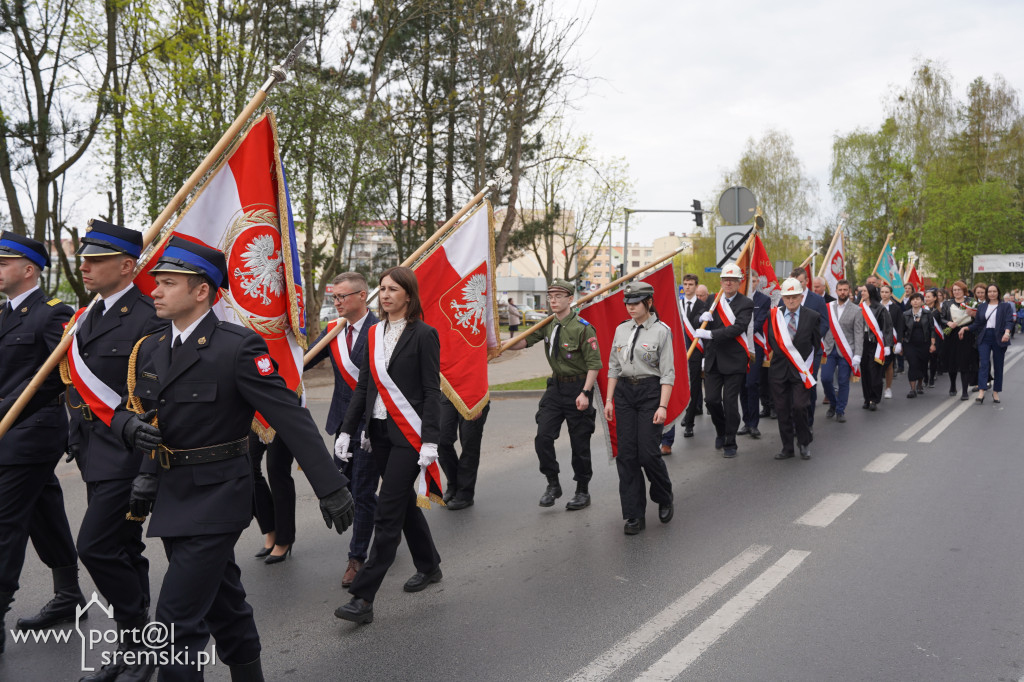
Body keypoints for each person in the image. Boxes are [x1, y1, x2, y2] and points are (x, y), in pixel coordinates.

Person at [113, 236, 354, 679]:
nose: (155, 292)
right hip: (172, 497)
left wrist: (331, 486)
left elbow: (290, 417)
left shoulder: (237, 347)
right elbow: (139, 415)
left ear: (202, 290)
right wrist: (130, 434)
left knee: (175, 622)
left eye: (167, 283)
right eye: (157, 283)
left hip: (218, 497)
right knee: (225, 604)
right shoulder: (150, 348)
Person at [58, 220, 165, 681]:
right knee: (123, 546)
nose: (84, 266)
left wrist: (147, 468)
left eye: (96, 260)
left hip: (126, 452)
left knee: (95, 546)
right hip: (90, 450)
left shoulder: (148, 315)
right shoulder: (86, 315)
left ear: (126, 266)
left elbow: (156, 397)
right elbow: (74, 383)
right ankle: (138, 646)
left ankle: (136, 634)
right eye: (84, 258)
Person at [333, 266, 443, 626]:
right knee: (404, 504)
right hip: (377, 433)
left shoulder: (424, 334)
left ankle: (363, 597)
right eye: (381, 289)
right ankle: (429, 565)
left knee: (387, 512)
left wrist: (430, 439)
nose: (385, 295)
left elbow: (430, 390)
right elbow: (364, 386)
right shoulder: (375, 332)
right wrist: (348, 431)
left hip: (409, 436)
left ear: (408, 295)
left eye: (393, 289)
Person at [0, 232, 83, 658]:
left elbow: (63, 375)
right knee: (42, 511)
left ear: (28, 269)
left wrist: (8, 406)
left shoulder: (52, 314)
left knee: (4, 522)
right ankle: (68, 596)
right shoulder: (4, 315)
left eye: (3, 263)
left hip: (32, 432)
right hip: (8, 433)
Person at [305, 272, 379, 587]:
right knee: (342, 487)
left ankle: (357, 558)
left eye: (342, 297)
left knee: (362, 492)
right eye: (334, 297)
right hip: (341, 423)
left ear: (362, 296)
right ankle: (389, 525)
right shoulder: (332, 331)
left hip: (371, 427)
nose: (337, 302)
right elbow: (304, 360)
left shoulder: (380, 330)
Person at [506, 279, 601, 509]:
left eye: (559, 296)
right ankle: (553, 483)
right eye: (550, 296)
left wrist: (585, 393)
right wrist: (500, 345)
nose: (553, 300)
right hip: (556, 389)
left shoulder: (582, 327)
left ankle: (582, 490)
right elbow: (524, 341)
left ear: (570, 299)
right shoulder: (549, 324)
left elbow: (594, 364)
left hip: (578, 388)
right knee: (543, 438)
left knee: (580, 444)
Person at [604, 282, 675, 535]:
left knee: (647, 453)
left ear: (649, 302)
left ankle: (664, 496)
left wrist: (663, 406)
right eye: (627, 303)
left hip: (650, 393)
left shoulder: (661, 331)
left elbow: (667, 373)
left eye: (635, 302)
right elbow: (613, 366)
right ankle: (634, 514)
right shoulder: (621, 330)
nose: (630, 307)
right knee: (627, 456)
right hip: (624, 394)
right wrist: (609, 400)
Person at [692, 264, 754, 458]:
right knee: (711, 400)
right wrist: (699, 317)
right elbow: (697, 318)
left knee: (729, 402)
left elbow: (738, 328)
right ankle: (721, 429)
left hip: (734, 360)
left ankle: (730, 440)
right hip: (713, 360)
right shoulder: (712, 299)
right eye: (725, 280)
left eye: (732, 280)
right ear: (720, 282)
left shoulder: (746, 303)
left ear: (739, 283)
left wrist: (710, 333)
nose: (728, 283)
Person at [766, 278, 821, 460]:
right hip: (779, 371)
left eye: (795, 297)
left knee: (800, 407)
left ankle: (804, 442)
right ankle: (787, 447)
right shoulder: (773, 315)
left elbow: (816, 345)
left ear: (801, 296)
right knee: (782, 409)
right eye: (788, 297)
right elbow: (771, 341)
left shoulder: (812, 316)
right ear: (782, 297)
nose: (791, 301)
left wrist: (811, 371)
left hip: (801, 371)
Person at [821, 279, 863, 423]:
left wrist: (858, 354)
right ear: (836, 291)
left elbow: (858, 333)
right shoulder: (827, 307)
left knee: (843, 381)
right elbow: (822, 327)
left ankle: (840, 410)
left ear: (849, 291)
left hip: (846, 350)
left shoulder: (856, 310)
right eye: (840, 290)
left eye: (845, 290)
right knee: (825, 378)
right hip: (828, 349)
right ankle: (833, 403)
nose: (843, 292)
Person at [963, 283, 1014, 404]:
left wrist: (1007, 333)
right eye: (989, 291)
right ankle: (981, 391)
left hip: (1000, 337)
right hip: (985, 337)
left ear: (998, 293)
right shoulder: (982, 307)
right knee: (984, 364)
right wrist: (966, 328)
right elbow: (978, 324)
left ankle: (996, 392)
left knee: (998, 366)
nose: (992, 293)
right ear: (987, 294)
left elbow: (1009, 321)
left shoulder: (1005, 306)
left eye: (994, 291)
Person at [437, 395, 490, 510]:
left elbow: (479, 376)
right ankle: (454, 485)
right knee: (441, 440)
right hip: (448, 392)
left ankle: (465, 493)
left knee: (469, 445)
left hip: (473, 395)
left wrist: (478, 402)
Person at [791, 267, 829, 428]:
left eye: (800, 282)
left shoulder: (817, 300)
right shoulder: (786, 298)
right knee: (792, 387)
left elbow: (825, 323)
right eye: (794, 282)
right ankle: (793, 423)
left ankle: (808, 423)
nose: (798, 285)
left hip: (811, 351)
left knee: (809, 385)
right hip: (791, 351)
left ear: (806, 281)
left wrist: (810, 338)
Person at [676, 274, 707, 441]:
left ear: (696, 286)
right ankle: (683, 414)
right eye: (685, 284)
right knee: (679, 386)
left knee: (693, 388)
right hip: (679, 353)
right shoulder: (678, 304)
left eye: (690, 284)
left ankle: (689, 423)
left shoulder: (702, 305)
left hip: (695, 353)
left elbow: (697, 321)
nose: (687, 287)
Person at [738, 288, 771, 439]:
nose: (752, 282)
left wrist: (737, 328)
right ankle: (746, 422)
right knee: (742, 385)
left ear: (757, 282)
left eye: (755, 280)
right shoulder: (737, 298)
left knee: (752, 383)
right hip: (738, 346)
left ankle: (754, 424)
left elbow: (758, 324)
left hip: (755, 347)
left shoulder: (763, 299)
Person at [938, 280, 976, 401]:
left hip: (966, 335)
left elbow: (975, 319)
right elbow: (942, 318)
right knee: (952, 362)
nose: (956, 292)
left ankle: (964, 391)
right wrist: (948, 322)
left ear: (964, 291)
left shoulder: (971, 302)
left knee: (964, 362)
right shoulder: (947, 304)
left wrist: (966, 326)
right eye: (954, 290)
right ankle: (953, 385)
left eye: (959, 290)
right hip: (951, 335)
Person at [859, 282, 893, 411]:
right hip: (863, 343)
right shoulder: (859, 307)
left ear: (871, 292)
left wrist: (888, 345)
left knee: (874, 372)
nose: (862, 293)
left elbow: (887, 327)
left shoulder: (880, 308)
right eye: (861, 291)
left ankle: (874, 398)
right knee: (865, 371)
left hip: (876, 344)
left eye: (865, 291)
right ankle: (867, 398)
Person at [901, 292, 937, 398]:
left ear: (922, 301)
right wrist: (901, 345)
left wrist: (932, 344)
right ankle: (912, 389)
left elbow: (932, 329)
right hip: (910, 344)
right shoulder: (905, 314)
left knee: (922, 365)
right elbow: (902, 331)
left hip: (924, 343)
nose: (915, 301)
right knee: (912, 364)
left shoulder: (927, 313)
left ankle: (920, 384)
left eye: (917, 299)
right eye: (913, 299)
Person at [880, 284, 904, 397]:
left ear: (890, 294)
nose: (884, 294)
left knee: (889, 365)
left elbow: (899, 325)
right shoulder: (875, 306)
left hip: (891, 340)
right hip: (878, 340)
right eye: (882, 292)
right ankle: (877, 385)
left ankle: (888, 388)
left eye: (886, 292)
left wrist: (899, 342)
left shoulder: (896, 308)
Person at [923, 288, 944, 387]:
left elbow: (942, 324)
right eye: (925, 297)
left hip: (936, 337)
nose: (926, 298)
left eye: (928, 297)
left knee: (933, 358)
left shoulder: (939, 311)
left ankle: (931, 377)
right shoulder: (922, 309)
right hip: (924, 337)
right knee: (924, 358)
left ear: (935, 298)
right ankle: (925, 377)